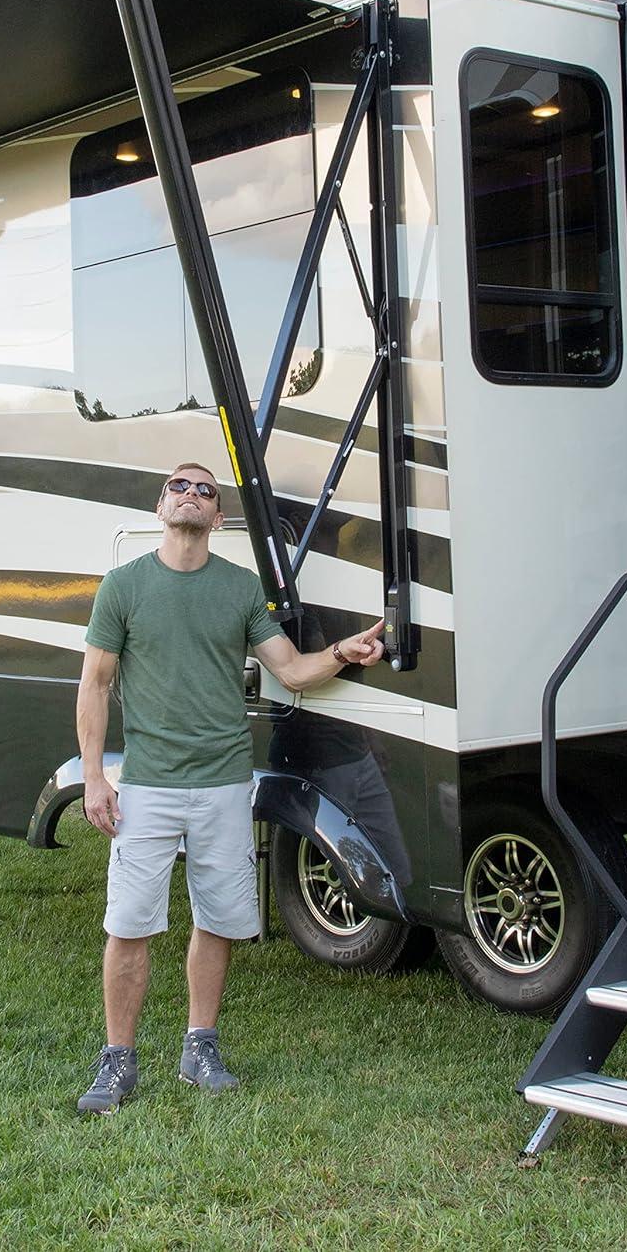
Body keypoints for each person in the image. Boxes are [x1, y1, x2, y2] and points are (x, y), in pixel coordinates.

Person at [74, 461, 385, 1114]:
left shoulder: (239, 590)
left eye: (204, 490)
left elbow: (293, 669)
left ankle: (199, 1047)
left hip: (223, 783)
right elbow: (96, 683)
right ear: (162, 505)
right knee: (129, 926)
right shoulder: (124, 587)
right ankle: (117, 1063)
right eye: (178, 486)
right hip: (149, 786)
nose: (190, 495)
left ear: (218, 518)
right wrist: (97, 775)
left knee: (217, 921)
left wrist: (343, 653)